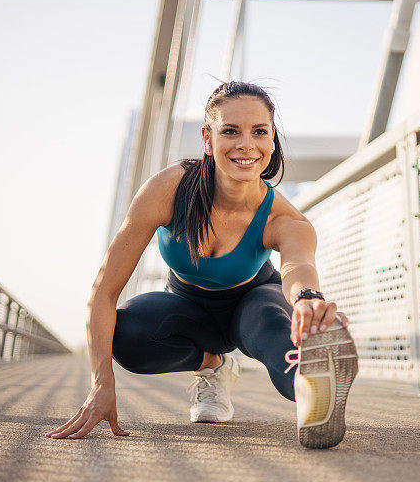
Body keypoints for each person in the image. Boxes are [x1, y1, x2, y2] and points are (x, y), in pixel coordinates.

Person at [46, 81, 358, 449]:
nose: (246, 144)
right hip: (186, 308)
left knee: (272, 322)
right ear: (208, 139)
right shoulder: (168, 190)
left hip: (254, 303)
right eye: (230, 131)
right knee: (127, 335)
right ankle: (214, 365)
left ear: (272, 140)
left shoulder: (284, 218)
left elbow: (297, 266)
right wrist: (102, 384)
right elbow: (104, 291)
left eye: (259, 132)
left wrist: (307, 297)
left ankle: (314, 393)